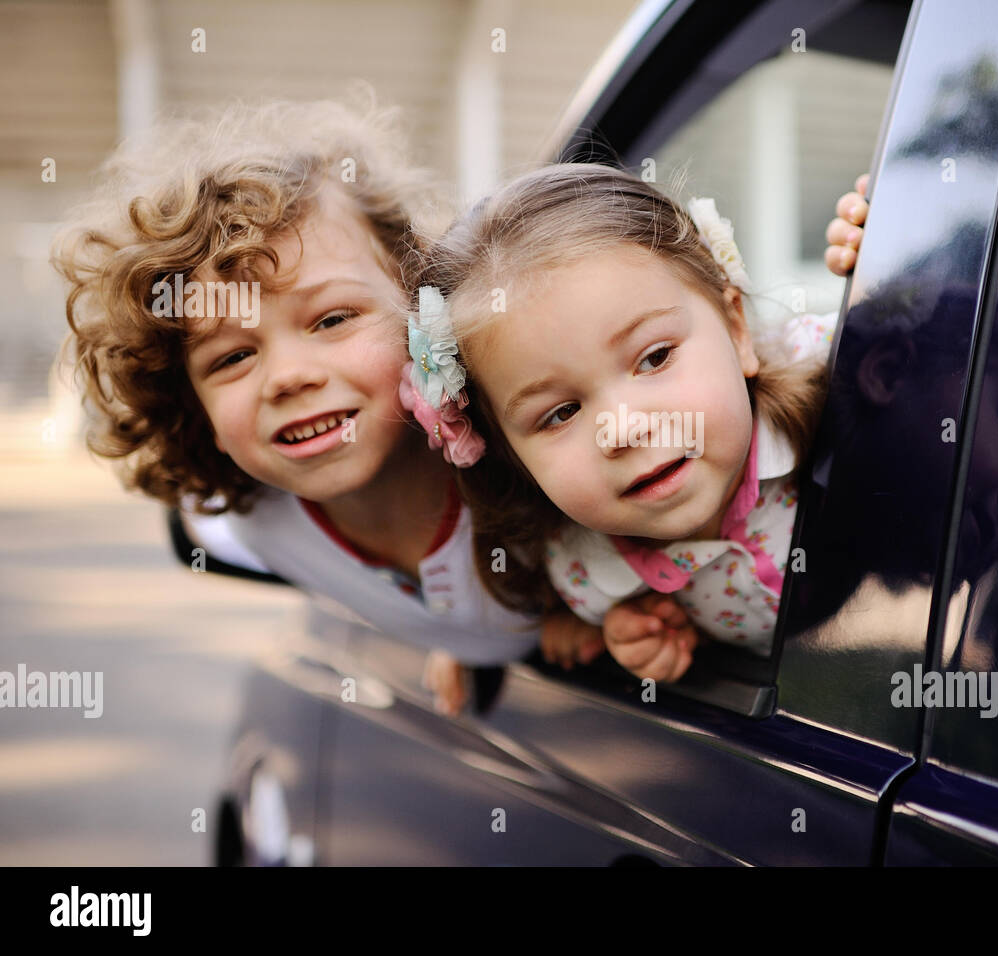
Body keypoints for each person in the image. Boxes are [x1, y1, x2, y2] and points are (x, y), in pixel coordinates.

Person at [51, 95, 603, 716]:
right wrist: (466, 637)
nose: (287, 377)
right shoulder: (255, 525)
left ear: (421, 301)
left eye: (332, 318)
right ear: (191, 409)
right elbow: (447, 595)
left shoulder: (537, 456)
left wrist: (608, 611)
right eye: (231, 358)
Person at [410, 164, 835, 682]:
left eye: (654, 358)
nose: (624, 429)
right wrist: (639, 636)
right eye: (560, 414)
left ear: (736, 327)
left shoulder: (849, 389)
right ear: (508, 453)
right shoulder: (586, 574)